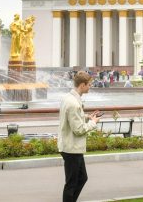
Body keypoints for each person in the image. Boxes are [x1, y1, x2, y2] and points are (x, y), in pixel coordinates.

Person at [58, 71, 101, 202]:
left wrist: (87, 116)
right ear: (82, 85)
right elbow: (78, 129)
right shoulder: (74, 104)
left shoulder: (69, 98)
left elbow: (74, 118)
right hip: (71, 148)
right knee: (71, 183)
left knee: (82, 178)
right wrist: (93, 123)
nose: (90, 87)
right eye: (89, 85)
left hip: (72, 147)